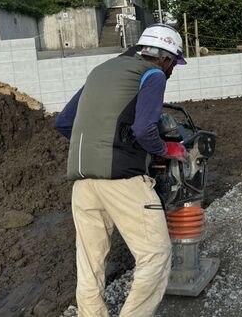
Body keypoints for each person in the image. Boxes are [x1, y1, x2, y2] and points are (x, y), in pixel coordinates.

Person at [55, 23, 187, 317]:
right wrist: (166, 150)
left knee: (89, 262)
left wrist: (100, 145)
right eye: (174, 63)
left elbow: (64, 123)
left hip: (82, 182)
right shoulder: (152, 74)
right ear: (165, 57)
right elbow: (143, 128)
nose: (171, 69)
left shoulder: (100, 71)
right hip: (122, 180)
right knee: (156, 254)